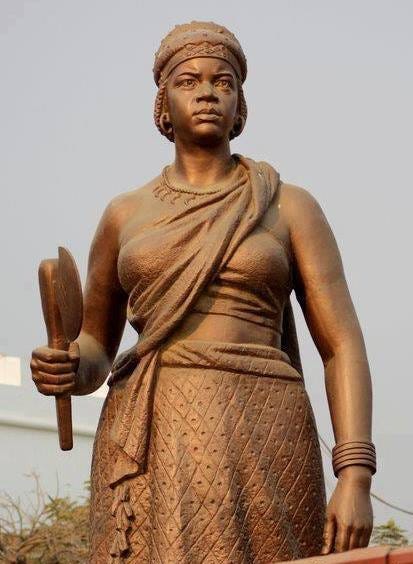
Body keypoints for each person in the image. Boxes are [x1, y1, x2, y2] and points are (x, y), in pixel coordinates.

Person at [31, 21, 375, 563]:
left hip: (266, 424)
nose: (208, 92)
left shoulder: (289, 206)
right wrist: (70, 368)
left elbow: (341, 344)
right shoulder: (125, 214)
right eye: (189, 81)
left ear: (240, 107)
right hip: (156, 427)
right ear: (163, 105)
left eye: (224, 82)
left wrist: (355, 473)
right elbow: (97, 346)